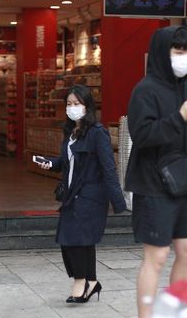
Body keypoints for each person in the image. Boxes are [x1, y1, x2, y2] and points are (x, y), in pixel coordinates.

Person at [125, 25, 187, 318]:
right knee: (157, 255)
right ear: (164, 54)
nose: (185, 58)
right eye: (178, 52)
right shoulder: (144, 90)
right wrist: (179, 117)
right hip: (153, 184)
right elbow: (142, 135)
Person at [35, 85, 126, 304]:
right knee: (79, 240)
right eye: (69, 104)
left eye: (77, 104)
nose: (72, 108)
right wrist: (50, 163)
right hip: (72, 195)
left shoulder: (98, 133)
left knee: (74, 239)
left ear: (87, 106)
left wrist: (119, 203)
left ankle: (81, 282)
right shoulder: (70, 133)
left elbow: (108, 168)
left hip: (91, 197)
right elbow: (66, 163)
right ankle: (91, 283)